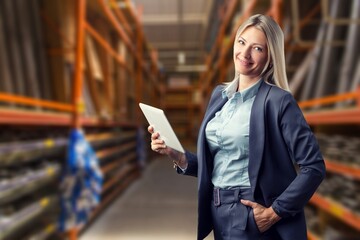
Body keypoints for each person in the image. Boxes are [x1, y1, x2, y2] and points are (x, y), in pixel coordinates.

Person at [148, 14, 325, 240]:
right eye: (242, 42)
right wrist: (178, 155)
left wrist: (274, 212)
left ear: (271, 57)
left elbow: (314, 166)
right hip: (217, 209)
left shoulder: (279, 101)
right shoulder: (219, 96)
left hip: (250, 211)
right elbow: (219, 163)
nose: (245, 53)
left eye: (257, 48)